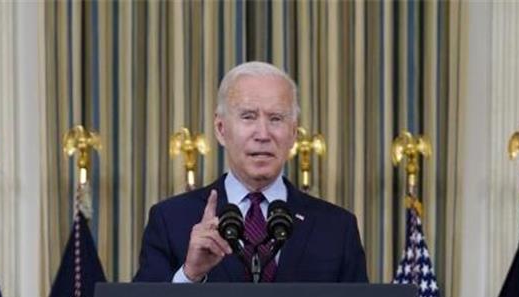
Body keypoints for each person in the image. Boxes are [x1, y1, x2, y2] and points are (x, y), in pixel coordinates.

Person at [134, 61, 368, 283]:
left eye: (276, 119)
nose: (263, 134)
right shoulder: (171, 219)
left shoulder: (337, 228)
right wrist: (190, 274)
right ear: (221, 128)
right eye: (248, 117)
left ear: (294, 133)